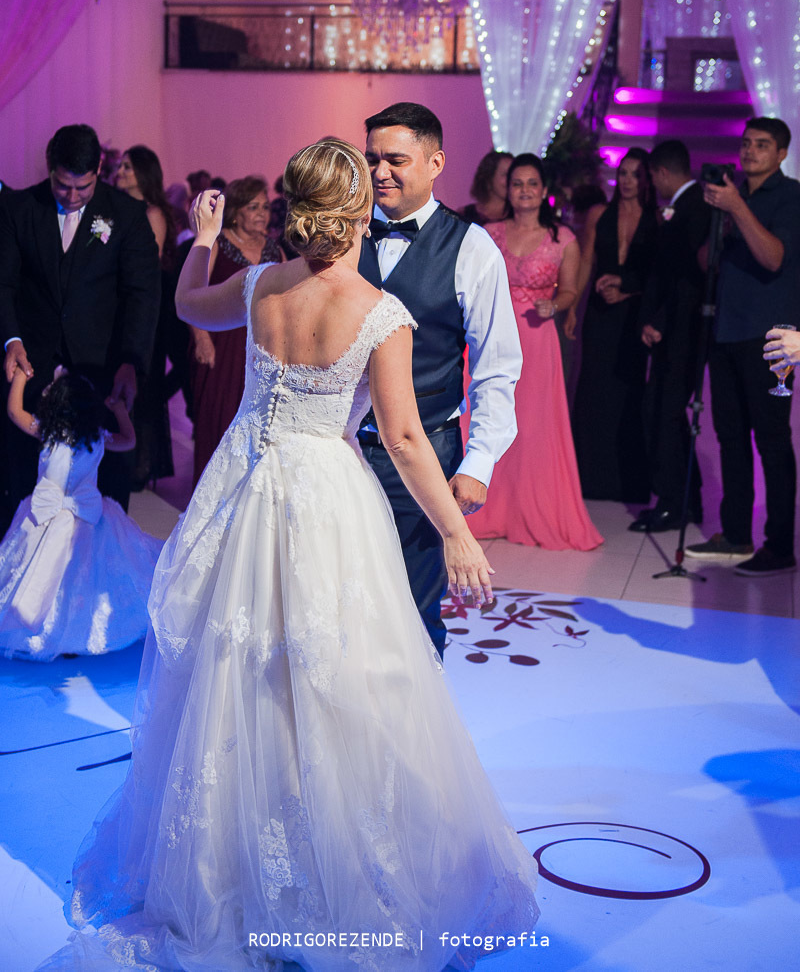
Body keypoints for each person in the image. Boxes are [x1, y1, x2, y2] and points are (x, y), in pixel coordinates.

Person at [36, 140, 539, 972]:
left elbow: (193, 304)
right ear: (355, 216)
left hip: (242, 485)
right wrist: (456, 531)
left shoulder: (265, 284)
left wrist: (203, 235)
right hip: (321, 500)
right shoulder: (377, 313)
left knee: (233, 677)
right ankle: (320, 878)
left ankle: (226, 873)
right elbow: (408, 441)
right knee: (330, 680)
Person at [357, 103, 522, 656]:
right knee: (342, 598)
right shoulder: (342, 236)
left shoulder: (472, 247)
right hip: (342, 451)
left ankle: (410, 735)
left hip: (427, 449)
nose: (380, 171)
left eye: (396, 160)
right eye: (372, 158)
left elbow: (496, 368)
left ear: (435, 163)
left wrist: (478, 463)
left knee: (413, 607)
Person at [0, 124, 160, 529]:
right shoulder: (19, 208)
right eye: (62, 185)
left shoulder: (125, 215)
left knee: (104, 487)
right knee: (24, 478)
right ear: (50, 168)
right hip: (34, 365)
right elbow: (4, 282)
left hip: (103, 369)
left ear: (99, 169)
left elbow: (143, 292)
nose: (71, 197)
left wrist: (131, 360)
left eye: (82, 188)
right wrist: (12, 339)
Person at [469, 154, 602, 550]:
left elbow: (571, 289)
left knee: (531, 426)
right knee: (486, 416)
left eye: (532, 183)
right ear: (506, 190)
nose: (524, 190)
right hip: (490, 335)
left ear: (544, 191)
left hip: (535, 338)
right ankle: (483, 508)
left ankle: (530, 509)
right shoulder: (486, 233)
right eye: (516, 183)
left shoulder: (563, 239)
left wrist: (557, 305)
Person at [686, 117, 800, 575]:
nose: (751, 151)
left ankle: (779, 546)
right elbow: (705, 262)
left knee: (772, 440)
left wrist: (737, 210)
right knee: (730, 437)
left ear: (781, 153)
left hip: (772, 338)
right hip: (726, 330)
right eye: (747, 143)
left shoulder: (790, 197)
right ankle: (735, 534)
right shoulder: (736, 196)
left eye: (763, 145)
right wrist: (723, 212)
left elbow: (773, 257)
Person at [0, 366, 160, 660]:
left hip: (44, 519)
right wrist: (119, 408)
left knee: (42, 575)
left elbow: (13, 412)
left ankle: (37, 624)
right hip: (86, 522)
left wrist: (21, 377)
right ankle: (73, 630)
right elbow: (129, 439)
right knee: (82, 578)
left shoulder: (46, 432)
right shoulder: (98, 438)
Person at [567, 148, 658, 503]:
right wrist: (574, 306)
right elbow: (587, 261)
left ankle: (629, 483)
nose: (628, 181)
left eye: (636, 174)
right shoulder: (599, 214)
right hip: (600, 315)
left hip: (634, 314)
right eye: (623, 173)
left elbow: (657, 272)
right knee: (592, 390)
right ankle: (588, 480)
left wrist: (629, 289)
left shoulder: (656, 218)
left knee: (629, 392)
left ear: (647, 179)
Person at [629, 140, 711, 533]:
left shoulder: (692, 208)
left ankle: (673, 503)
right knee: (665, 413)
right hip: (679, 326)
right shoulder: (691, 204)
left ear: (660, 174)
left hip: (680, 329)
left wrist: (659, 320)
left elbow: (686, 279)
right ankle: (684, 501)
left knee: (663, 413)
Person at [190, 175, 285, 484]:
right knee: (217, 414)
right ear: (236, 211)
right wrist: (202, 339)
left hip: (260, 343)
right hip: (221, 341)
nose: (262, 213)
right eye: (252, 206)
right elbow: (195, 293)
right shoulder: (219, 243)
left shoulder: (275, 250)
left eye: (266, 207)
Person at [115, 145, 178, 489]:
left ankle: (141, 463)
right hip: (120, 302)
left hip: (149, 303)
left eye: (127, 167)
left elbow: (146, 265)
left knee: (146, 381)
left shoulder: (151, 211)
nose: (120, 171)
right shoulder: (115, 207)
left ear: (143, 172)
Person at [460, 148, 513, 226]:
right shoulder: (465, 215)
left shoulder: (519, 215)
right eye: (505, 174)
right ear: (489, 178)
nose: (512, 179)